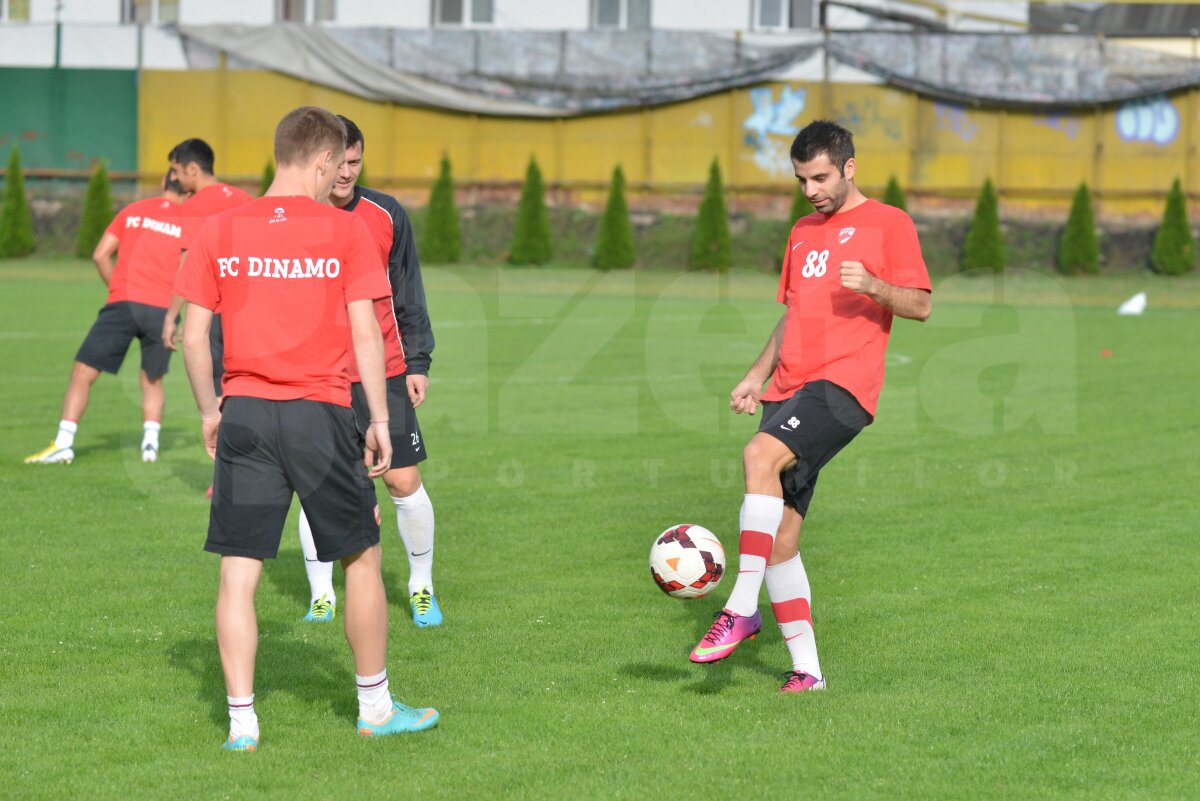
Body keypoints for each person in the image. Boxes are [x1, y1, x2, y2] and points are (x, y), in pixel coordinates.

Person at [174, 106, 439, 751]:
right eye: (336, 166)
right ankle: (374, 707)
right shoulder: (343, 231)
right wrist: (378, 419)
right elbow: (366, 333)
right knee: (362, 559)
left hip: (244, 414)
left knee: (238, 574)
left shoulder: (220, 227)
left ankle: (242, 725)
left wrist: (212, 410)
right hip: (322, 414)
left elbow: (193, 336)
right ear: (323, 160)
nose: (338, 179)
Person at [688, 120, 932, 693]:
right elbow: (793, 314)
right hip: (787, 389)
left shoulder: (889, 223)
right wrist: (756, 375)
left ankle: (741, 608)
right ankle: (809, 674)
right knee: (781, 542)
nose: (810, 190)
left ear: (849, 167)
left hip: (843, 388)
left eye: (820, 177)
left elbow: (920, 305)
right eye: (801, 179)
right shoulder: (801, 230)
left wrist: (873, 284)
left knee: (758, 457)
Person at [296, 115, 440, 628]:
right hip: (318, 373)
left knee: (403, 480)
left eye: (355, 162)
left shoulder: (385, 213)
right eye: (338, 163)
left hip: (383, 370)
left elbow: (408, 291)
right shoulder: (297, 216)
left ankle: (421, 586)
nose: (346, 173)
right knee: (317, 484)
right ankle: (321, 595)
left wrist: (417, 361)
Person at [24, 171, 190, 465]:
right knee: (152, 380)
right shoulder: (188, 222)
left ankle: (64, 442)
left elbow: (101, 254)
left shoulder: (133, 211)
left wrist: (118, 287)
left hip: (123, 303)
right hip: (162, 311)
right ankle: (150, 446)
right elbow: (189, 268)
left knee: (83, 373)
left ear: (163, 184)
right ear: (187, 193)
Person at [161, 138, 254, 396]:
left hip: (217, 313)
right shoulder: (245, 198)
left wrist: (171, 317)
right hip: (253, 310)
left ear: (192, 169)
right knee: (250, 389)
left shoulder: (193, 207)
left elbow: (188, 265)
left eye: (177, 172)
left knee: (218, 395)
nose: (176, 179)